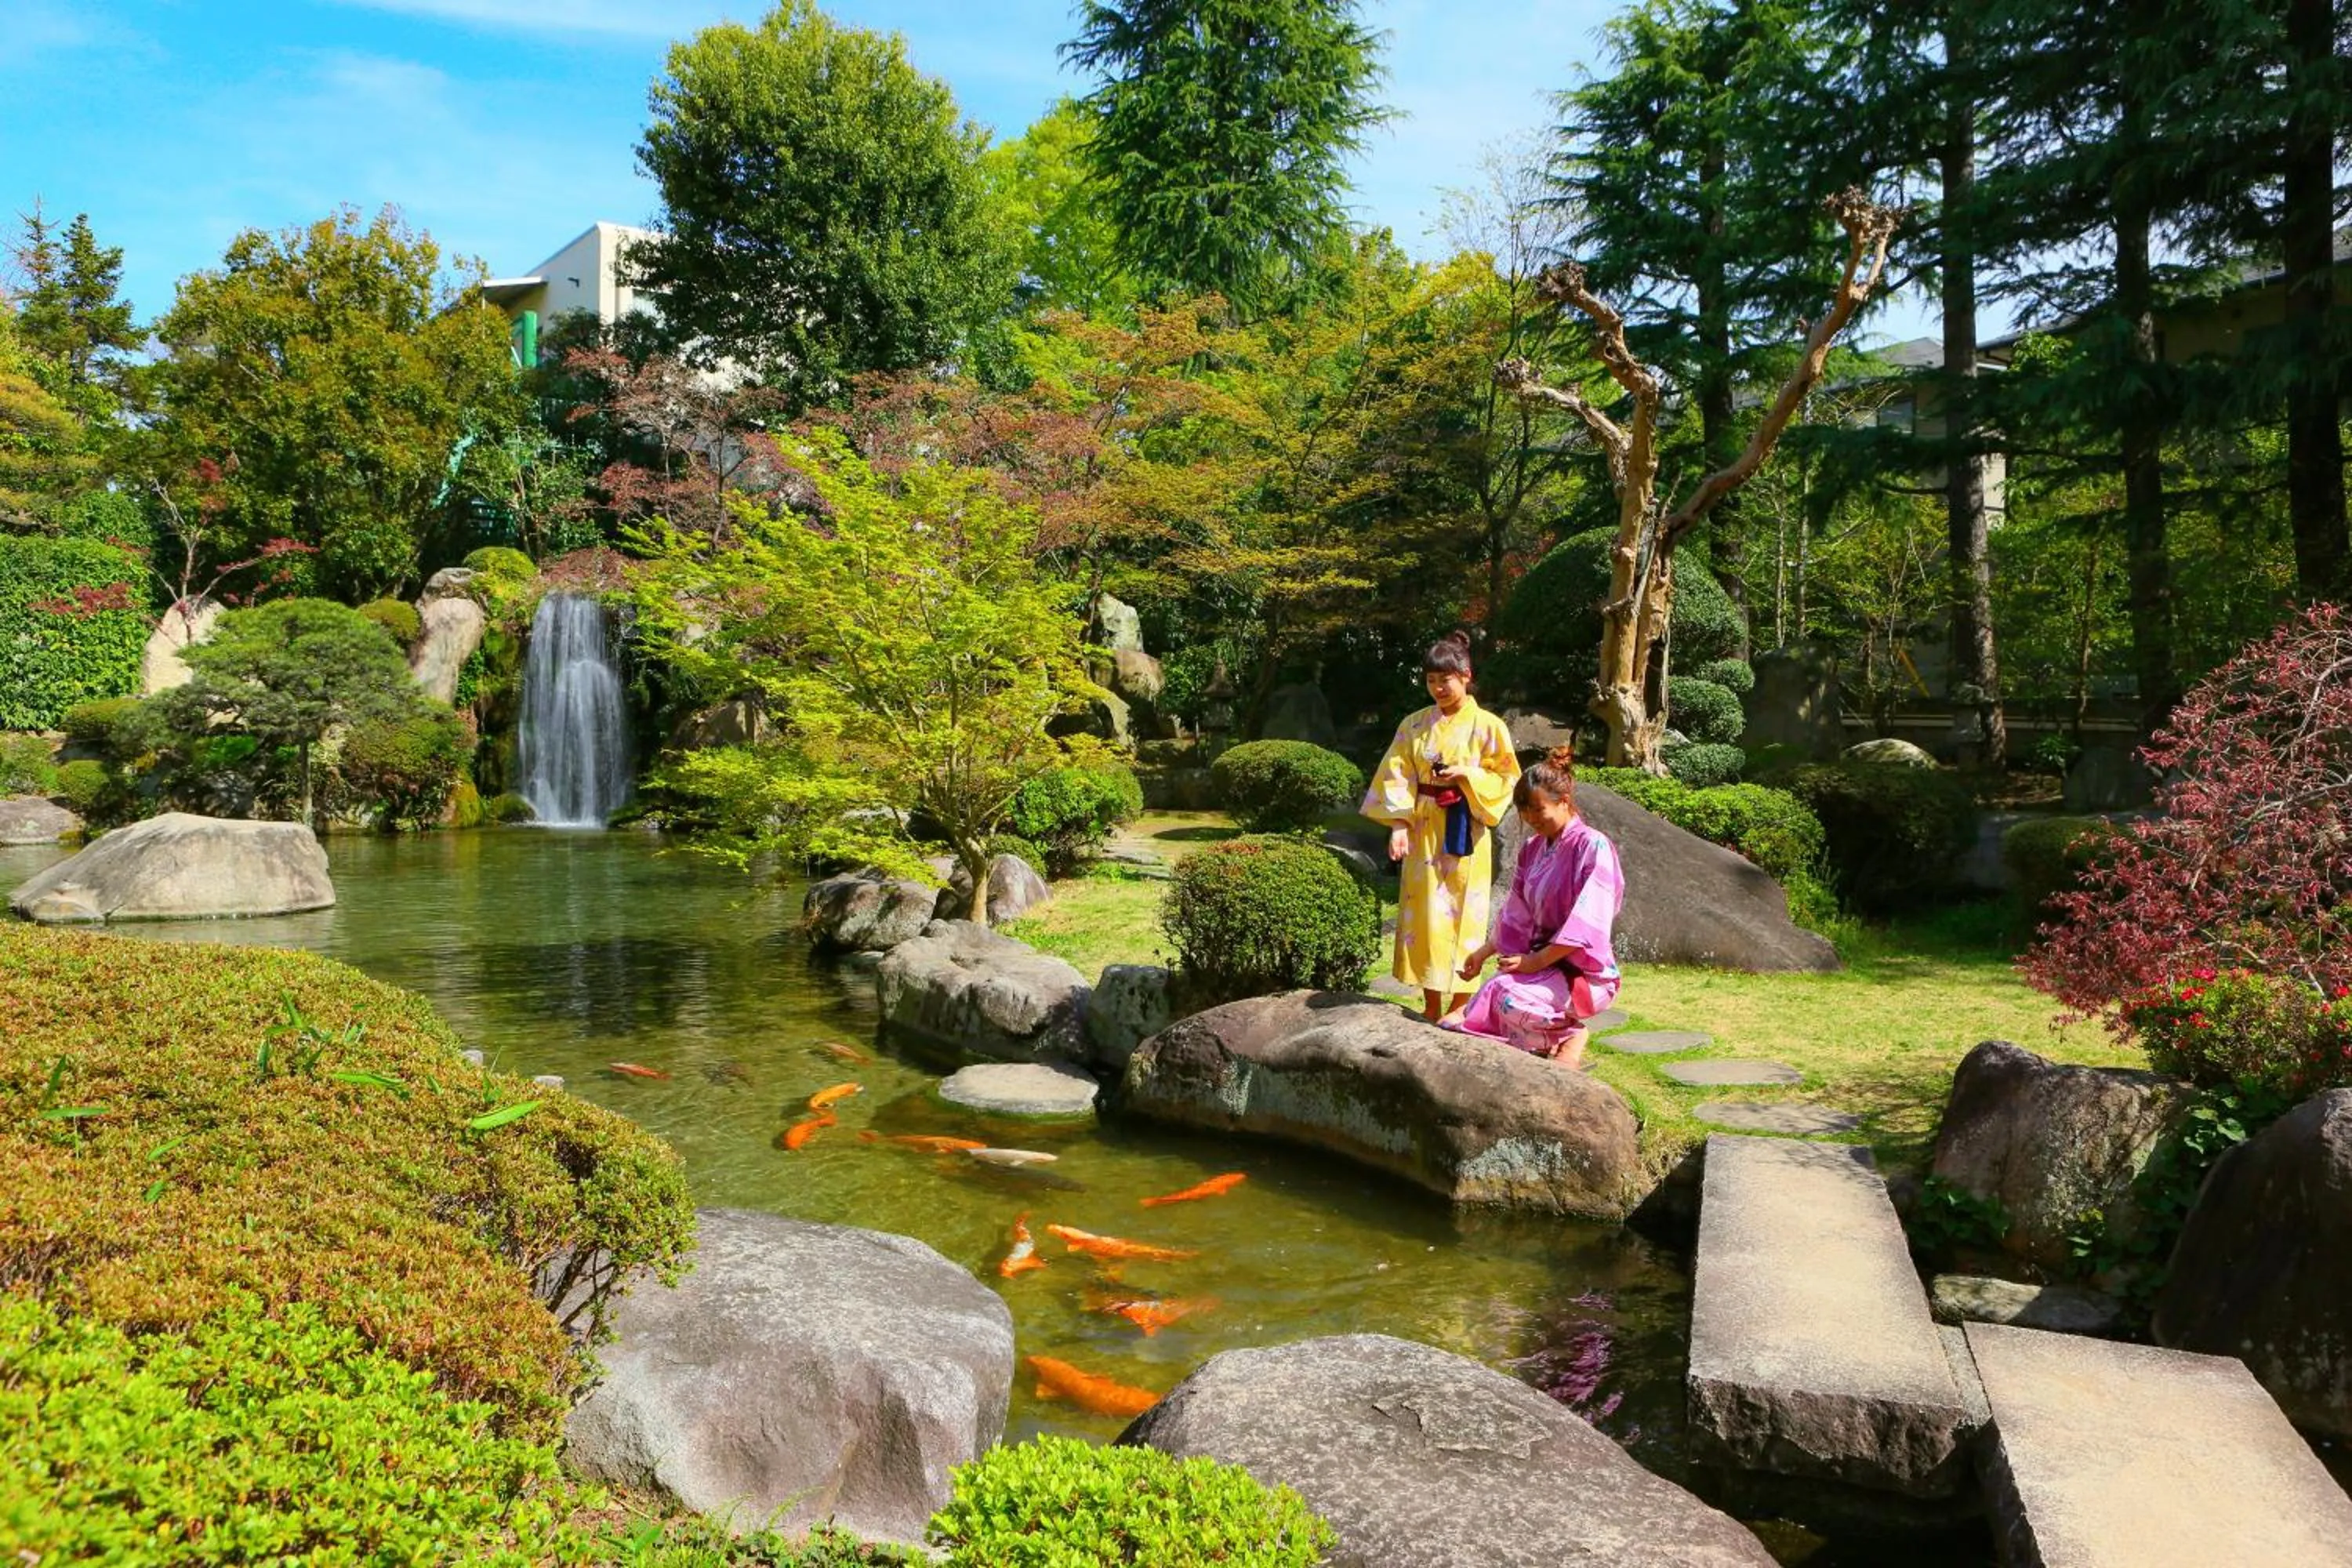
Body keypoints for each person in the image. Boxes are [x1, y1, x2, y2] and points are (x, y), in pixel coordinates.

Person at [1361, 632, 1522, 1020]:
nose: (1438, 688)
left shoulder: (1489, 726)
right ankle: (1431, 1003)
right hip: (1422, 826)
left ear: (1466, 676)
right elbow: (1395, 775)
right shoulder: (1414, 725)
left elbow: (1506, 778)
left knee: (1466, 912)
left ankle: (1461, 1004)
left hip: (1465, 827)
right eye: (1431, 681)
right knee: (1427, 916)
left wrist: (1467, 774)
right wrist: (1398, 825)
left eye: (1445, 680)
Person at [1447, 746, 1623, 1069]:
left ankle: (1570, 1035)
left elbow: (1588, 922)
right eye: (1525, 814)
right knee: (1483, 1002)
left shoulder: (1592, 845)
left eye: (1539, 811)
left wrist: (1535, 961)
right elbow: (1518, 910)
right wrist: (1485, 951)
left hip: (1583, 974)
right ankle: (1543, 1040)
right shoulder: (1533, 849)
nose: (1532, 821)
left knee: (1508, 1000)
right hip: (1541, 967)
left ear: (1564, 802)